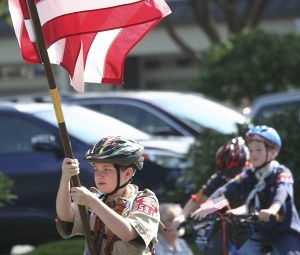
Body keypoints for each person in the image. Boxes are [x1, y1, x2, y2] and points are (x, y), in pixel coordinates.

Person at [194, 125, 300, 255]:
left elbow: (281, 192)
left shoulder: (281, 173)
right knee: (244, 251)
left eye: (259, 150)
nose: (253, 154)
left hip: (284, 231)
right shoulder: (248, 175)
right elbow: (227, 189)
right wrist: (209, 206)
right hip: (260, 231)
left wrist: (272, 209)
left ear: (273, 152)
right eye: (251, 150)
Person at [55, 136, 160, 255]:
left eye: (106, 170)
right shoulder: (96, 198)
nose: (99, 175)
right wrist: (65, 179)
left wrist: (92, 202)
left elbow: (127, 233)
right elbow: (66, 216)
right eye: (96, 169)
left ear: (128, 173)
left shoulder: (144, 201)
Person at [171, 137, 250, 254]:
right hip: (225, 227)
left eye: (232, 173)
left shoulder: (252, 177)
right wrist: (182, 216)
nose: (227, 177)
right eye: (224, 173)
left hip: (250, 226)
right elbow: (199, 198)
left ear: (246, 165)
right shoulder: (218, 178)